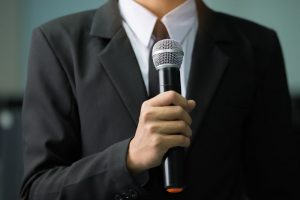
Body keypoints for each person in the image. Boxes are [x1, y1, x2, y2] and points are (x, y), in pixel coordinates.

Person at [21, 0, 300, 199]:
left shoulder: (257, 45)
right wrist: (127, 160)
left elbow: (276, 185)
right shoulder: (58, 42)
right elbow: (38, 190)